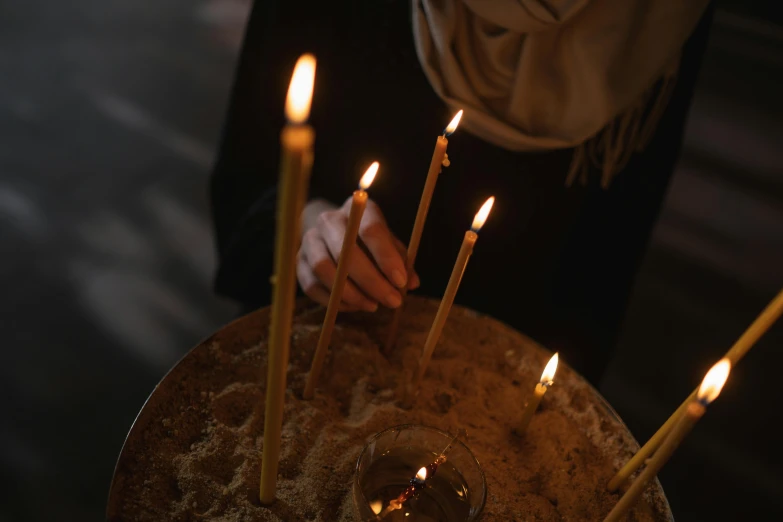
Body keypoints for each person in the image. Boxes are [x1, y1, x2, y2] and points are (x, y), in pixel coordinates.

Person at [210, 1, 714, 386]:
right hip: (320, 335)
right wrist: (308, 224)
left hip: (494, 363)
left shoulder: (653, 17)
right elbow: (252, 163)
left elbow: (607, 253)